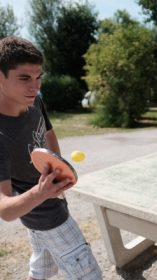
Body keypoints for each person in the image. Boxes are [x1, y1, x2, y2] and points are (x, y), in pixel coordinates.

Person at [0, 36, 102, 280]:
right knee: (89, 275)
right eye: (24, 78)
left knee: (42, 270)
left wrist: (56, 165)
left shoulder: (36, 102)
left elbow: (48, 133)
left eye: (38, 77)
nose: (35, 87)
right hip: (47, 216)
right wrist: (41, 193)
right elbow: (5, 210)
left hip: (48, 208)